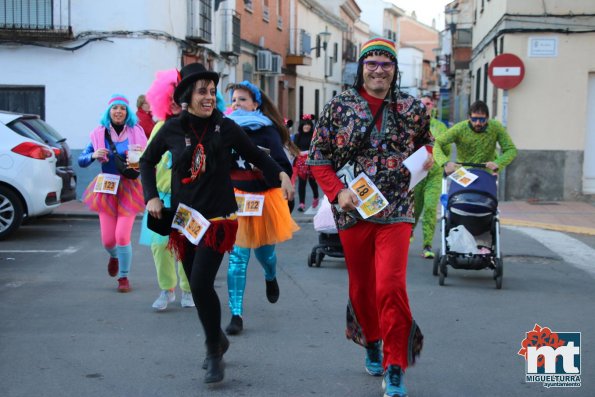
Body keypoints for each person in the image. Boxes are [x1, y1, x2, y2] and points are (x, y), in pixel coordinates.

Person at [139, 63, 294, 384]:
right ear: (187, 96)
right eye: (202, 92)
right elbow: (146, 161)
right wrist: (151, 196)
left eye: (212, 91)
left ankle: (213, 351)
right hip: (184, 220)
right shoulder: (171, 129)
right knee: (199, 285)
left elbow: (256, 155)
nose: (209, 97)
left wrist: (281, 174)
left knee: (199, 283)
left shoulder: (225, 127)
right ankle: (218, 339)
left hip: (219, 218)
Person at [307, 37, 432, 397]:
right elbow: (318, 158)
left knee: (391, 285)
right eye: (372, 63)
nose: (379, 70)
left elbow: (426, 142)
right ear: (362, 67)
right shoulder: (338, 107)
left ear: (395, 69)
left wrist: (427, 155)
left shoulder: (412, 107)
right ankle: (371, 340)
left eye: (386, 64)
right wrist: (337, 192)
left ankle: (395, 365)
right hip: (353, 211)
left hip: (397, 209)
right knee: (363, 289)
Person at [224, 80, 300, 336]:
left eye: (243, 99)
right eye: (234, 100)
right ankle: (236, 314)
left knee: (265, 255)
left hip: (264, 201)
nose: (237, 104)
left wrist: (265, 169)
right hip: (236, 200)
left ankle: (270, 275)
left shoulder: (267, 132)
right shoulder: (223, 129)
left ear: (256, 104)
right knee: (237, 258)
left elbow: (283, 168)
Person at [138, 69, 195, 310]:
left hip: (187, 198)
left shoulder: (196, 128)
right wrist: (151, 197)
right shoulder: (161, 127)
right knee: (160, 245)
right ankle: (166, 288)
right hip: (161, 198)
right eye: (170, 98)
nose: (175, 103)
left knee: (185, 246)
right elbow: (146, 161)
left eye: (180, 98)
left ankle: (189, 290)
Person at [79, 94, 148, 292]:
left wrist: (139, 157)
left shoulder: (136, 132)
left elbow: (148, 159)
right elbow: (81, 160)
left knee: (122, 236)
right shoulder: (99, 134)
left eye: (123, 108)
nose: (119, 111)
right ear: (109, 111)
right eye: (115, 108)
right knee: (108, 240)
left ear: (128, 112)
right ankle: (115, 256)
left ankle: (124, 278)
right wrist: (93, 155)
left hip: (129, 187)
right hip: (106, 187)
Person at [433, 100, 517, 177]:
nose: (478, 123)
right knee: (457, 193)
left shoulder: (496, 127)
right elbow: (437, 143)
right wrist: (445, 162)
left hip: (486, 173)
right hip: (461, 173)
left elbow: (511, 149)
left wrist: (498, 163)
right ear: (469, 117)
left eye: (482, 119)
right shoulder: (459, 128)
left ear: (487, 118)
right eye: (474, 119)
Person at [412, 95, 449, 259]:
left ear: (432, 106)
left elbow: (446, 150)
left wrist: (436, 155)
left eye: (427, 103)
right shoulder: (411, 124)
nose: (425, 106)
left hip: (434, 175)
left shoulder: (440, 127)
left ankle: (427, 245)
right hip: (415, 173)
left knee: (430, 208)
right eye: (421, 103)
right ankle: (407, 234)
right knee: (413, 209)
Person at [293, 114, 320, 212]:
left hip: (311, 161)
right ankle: (302, 204)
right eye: (305, 124)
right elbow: (294, 148)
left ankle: (316, 197)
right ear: (302, 126)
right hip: (301, 162)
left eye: (308, 124)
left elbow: (317, 147)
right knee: (302, 183)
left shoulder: (314, 135)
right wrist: (297, 154)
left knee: (312, 182)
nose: (306, 126)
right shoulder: (297, 136)